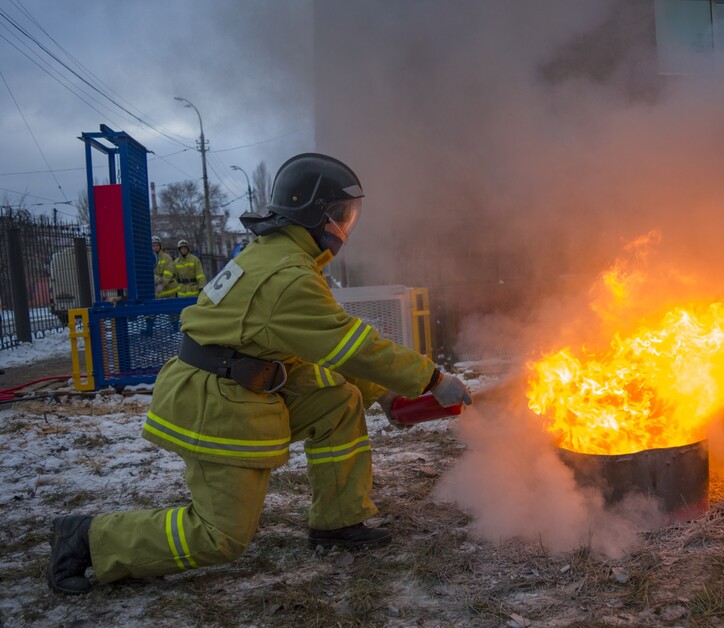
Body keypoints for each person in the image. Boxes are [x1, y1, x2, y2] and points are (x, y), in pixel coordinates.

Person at [46, 153, 473, 595]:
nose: (345, 227)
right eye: (341, 215)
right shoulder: (288, 278)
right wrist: (432, 380)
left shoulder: (276, 255)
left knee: (337, 401)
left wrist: (382, 393)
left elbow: (325, 346)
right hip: (216, 404)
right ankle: (88, 540)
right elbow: (353, 345)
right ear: (315, 214)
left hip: (237, 387)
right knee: (220, 537)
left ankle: (338, 521)